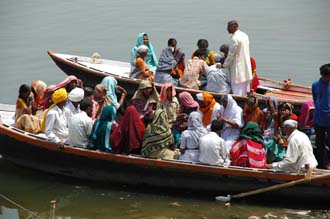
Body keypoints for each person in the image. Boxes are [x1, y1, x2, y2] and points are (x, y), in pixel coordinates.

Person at [222, 20, 252, 96]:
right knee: (245, 89)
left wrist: (224, 65)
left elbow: (231, 55)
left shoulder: (234, 39)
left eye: (228, 27)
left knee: (237, 91)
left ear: (234, 27)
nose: (227, 29)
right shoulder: (244, 35)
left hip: (238, 69)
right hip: (246, 67)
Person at [312, 63, 330, 169]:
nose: (327, 78)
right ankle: (323, 163)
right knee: (320, 143)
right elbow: (315, 99)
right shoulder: (315, 85)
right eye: (325, 76)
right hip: (319, 118)